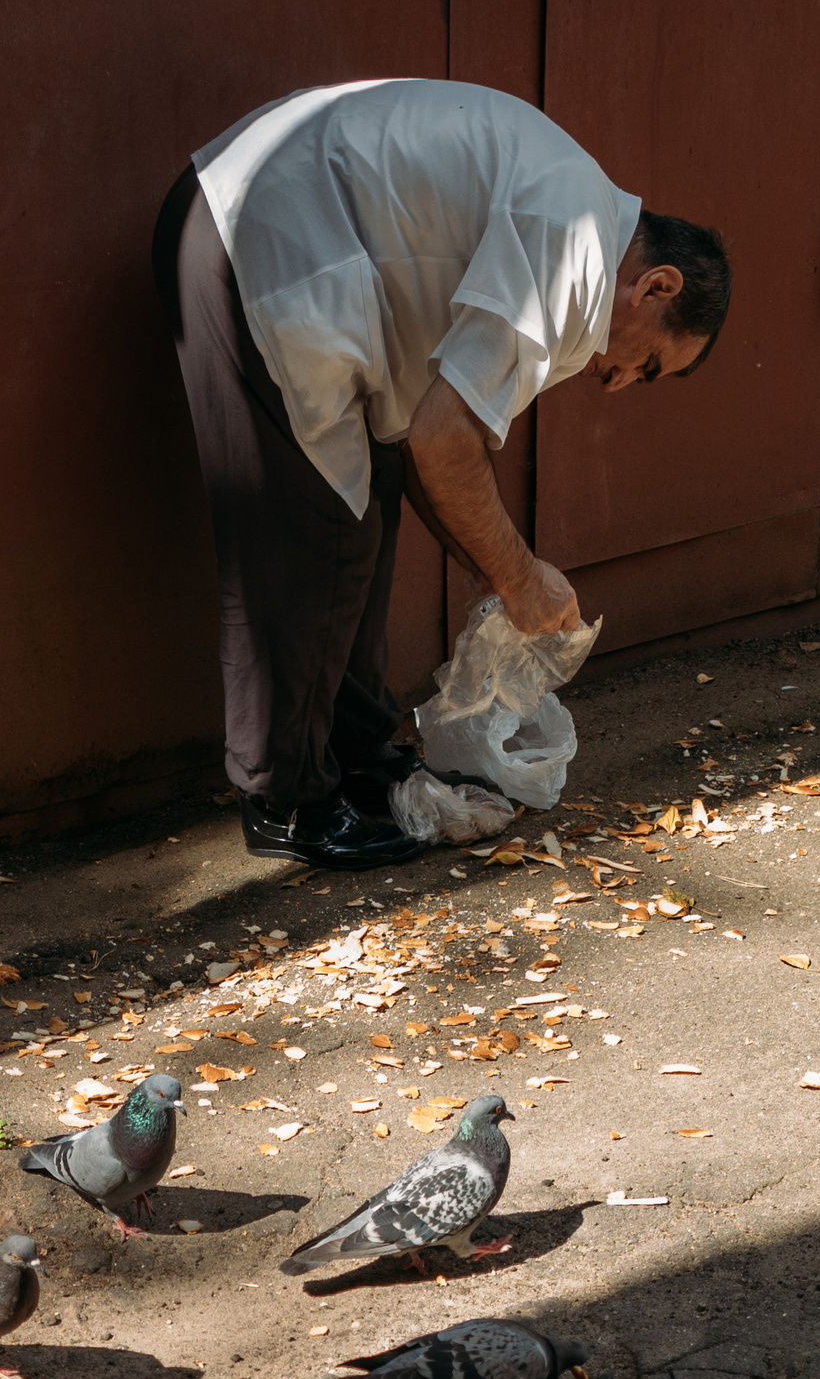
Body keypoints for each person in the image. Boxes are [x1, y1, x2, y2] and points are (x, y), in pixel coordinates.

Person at [155, 80, 731, 870]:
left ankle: (356, 759)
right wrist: (519, 577)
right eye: (652, 364)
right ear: (658, 285)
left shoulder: (579, 222)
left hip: (274, 228)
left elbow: (430, 455)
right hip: (254, 234)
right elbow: (444, 439)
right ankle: (289, 802)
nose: (625, 381)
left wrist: (504, 573)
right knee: (319, 534)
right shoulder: (573, 245)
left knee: (361, 513)